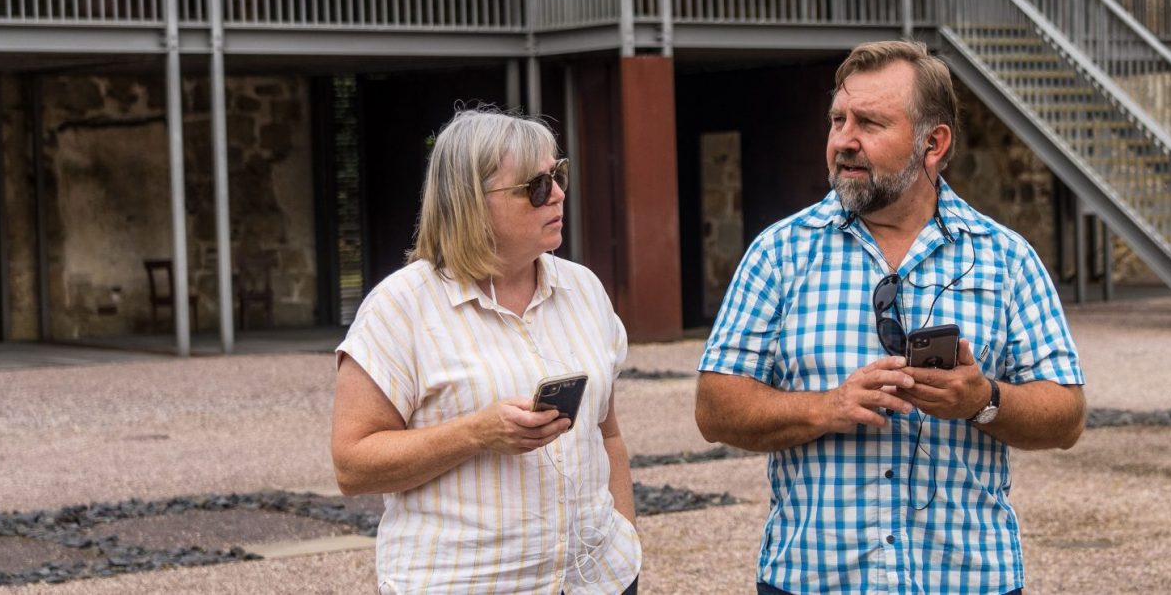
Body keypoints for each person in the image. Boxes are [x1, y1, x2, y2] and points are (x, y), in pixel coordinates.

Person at [696, 40, 1087, 595]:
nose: (844, 140)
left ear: (933, 143)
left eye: (870, 123)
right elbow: (714, 408)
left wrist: (983, 400)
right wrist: (828, 407)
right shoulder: (778, 253)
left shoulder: (1006, 259)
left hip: (966, 581)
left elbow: (1067, 416)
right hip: (814, 581)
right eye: (838, 120)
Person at [332, 108, 640, 595]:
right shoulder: (400, 308)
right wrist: (476, 432)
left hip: (597, 582)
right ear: (472, 201)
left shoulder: (584, 290)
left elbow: (609, 435)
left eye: (558, 175)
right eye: (537, 186)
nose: (558, 193)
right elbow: (352, 465)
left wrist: (626, 542)